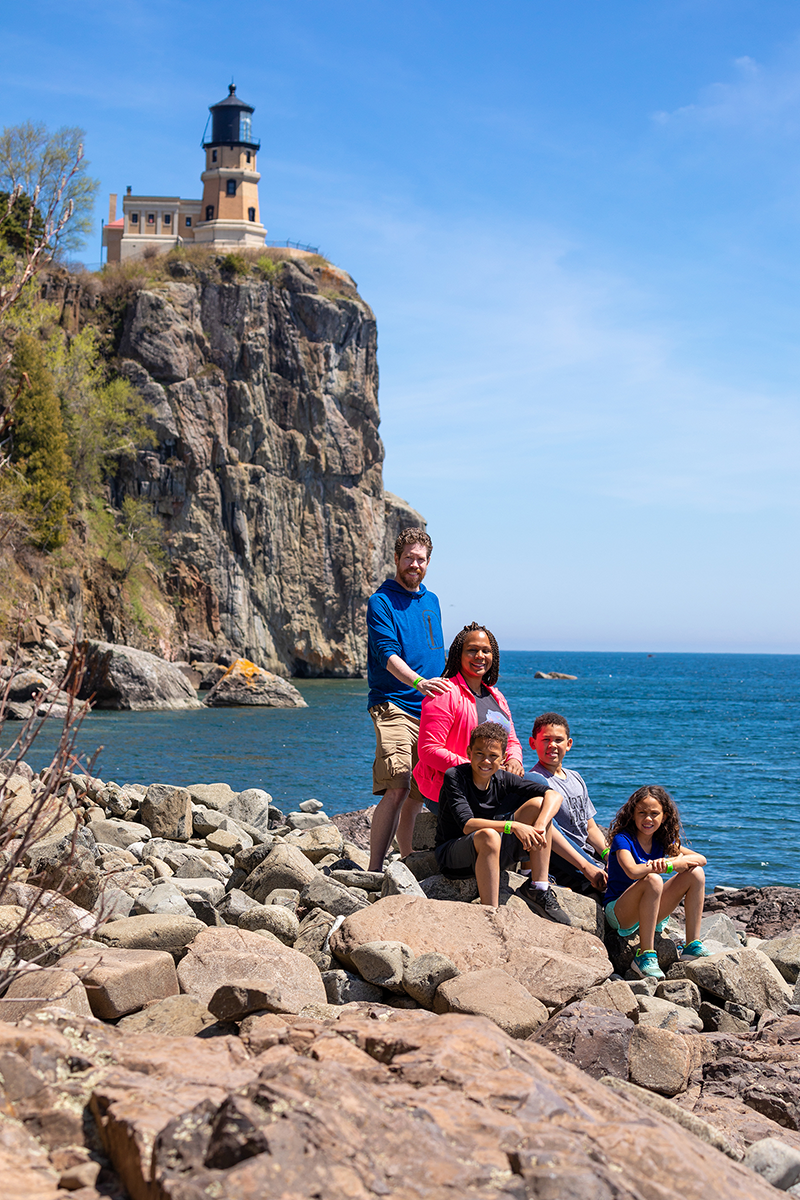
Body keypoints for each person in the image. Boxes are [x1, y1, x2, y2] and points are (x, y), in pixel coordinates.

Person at [367, 528, 448, 871]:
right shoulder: (381, 601)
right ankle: (372, 871)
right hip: (393, 704)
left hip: (429, 708)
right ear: (397, 559)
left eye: (421, 559)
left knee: (420, 792)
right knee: (398, 784)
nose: (415, 564)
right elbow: (386, 654)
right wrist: (417, 681)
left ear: (428, 562)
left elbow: (437, 655)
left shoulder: (432, 601)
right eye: (409, 558)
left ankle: (407, 861)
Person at [435, 721, 571, 921]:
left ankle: (538, 888)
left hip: (493, 853)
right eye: (480, 753)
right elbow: (467, 825)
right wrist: (513, 826)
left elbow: (554, 795)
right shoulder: (455, 776)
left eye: (493, 756)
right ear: (469, 752)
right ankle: (491, 915)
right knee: (489, 835)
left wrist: (540, 826)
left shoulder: (502, 778)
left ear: (503, 758)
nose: (486, 761)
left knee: (538, 805)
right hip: (454, 856)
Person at [414, 622, 524, 810]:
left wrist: (514, 760)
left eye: (486, 651)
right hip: (452, 789)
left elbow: (511, 741)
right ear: (459, 654)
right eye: (472, 650)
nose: (480, 656)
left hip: (491, 785)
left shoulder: (496, 697)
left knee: (541, 794)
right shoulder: (445, 693)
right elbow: (429, 750)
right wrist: (479, 768)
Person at [604, 785, 709, 980]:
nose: (648, 819)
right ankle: (645, 955)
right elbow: (633, 871)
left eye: (654, 813)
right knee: (653, 879)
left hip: (649, 910)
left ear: (665, 816)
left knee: (696, 874)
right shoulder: (623, 840)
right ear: (632, 815)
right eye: (642, 813)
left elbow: (701, 859)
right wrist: (666, 867)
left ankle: (692, 945)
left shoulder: (662, 842)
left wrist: (672, 861)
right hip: (620, 912)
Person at [526, 712, 607, 897]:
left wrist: (607, 853)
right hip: (567, 861)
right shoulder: (535, 781)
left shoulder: (576, 778)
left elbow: (590, 826)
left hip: (588, 854)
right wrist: (587, 867)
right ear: (533, 743)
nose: (552, 745)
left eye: (558, 740)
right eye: (546, 739)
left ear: (568, 744)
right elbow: (548, 832)